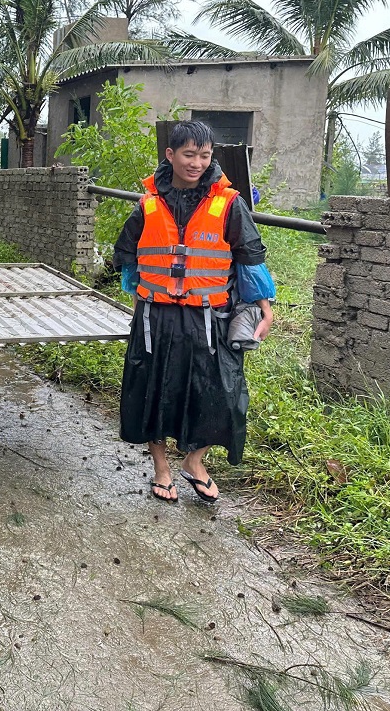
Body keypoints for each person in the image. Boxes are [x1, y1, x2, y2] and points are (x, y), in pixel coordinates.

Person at [113, 121, 275, 504]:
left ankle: (194, 461)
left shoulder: (228, 203)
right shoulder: (149, 203)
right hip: (156, 319)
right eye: (189, 154)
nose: (197, 163)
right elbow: (127, 257)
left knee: (221, 393)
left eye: (204, 155)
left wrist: (264, 308)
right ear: (170, 155)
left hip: (208, 318)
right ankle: (162, 470)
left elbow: (250, 257)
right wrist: (138, 297)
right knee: (152, 393)